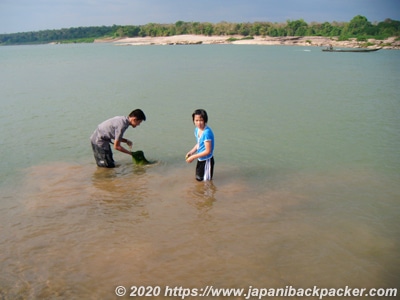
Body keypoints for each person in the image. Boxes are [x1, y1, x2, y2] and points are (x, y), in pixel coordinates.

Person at [186, 109, 215, 181]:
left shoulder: (206, 133)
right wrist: (191, 152)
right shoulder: (197, 130)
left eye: (201, 120)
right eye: (196, 120)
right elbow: (199, 143)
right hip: (200, 159)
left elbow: (208, 151)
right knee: (199, 179)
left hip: (207, 160)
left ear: (205, 120)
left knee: (206, 182)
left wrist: (193, 157)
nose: (199, 123)